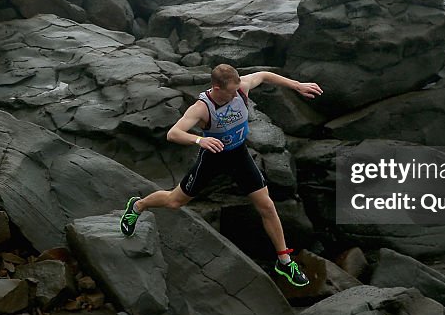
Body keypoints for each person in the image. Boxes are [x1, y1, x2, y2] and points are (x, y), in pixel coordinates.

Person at [120, 64, 323, 288]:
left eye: (238, 89)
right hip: (213, 158)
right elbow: (173, 133)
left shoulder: (240, 88)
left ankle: (284, 261)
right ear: (217, 87)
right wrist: (199, 140)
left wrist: (298, 86)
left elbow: (264, 75)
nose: (236, 94)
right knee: (174, 201)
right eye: (231, 91)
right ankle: (138, 206)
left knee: (267, 206)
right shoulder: (202, 108)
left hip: (238, 155)